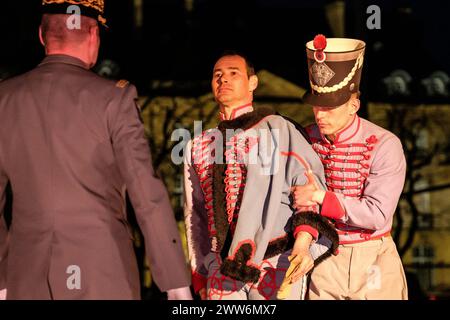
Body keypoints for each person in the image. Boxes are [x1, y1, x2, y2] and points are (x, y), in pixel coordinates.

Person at [0, 0, 191, 300]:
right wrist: (176, 285)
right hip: (102, 274)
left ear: (41, 35)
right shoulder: (115, 99)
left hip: (26, 276)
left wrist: (2, 279)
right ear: (93, 37)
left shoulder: (5, 98)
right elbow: (146, 194)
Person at [183, 51, 338, 300]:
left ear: (252, 83)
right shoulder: (197, 144)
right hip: (220, 268)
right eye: (218, 75)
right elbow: (195, 214)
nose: (224, 80)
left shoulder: (279, 128)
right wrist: (199, 271)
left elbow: (306, 187)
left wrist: (303, 243)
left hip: (276, 261)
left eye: (234, 74)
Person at [291, 35, 408, 299]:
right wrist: (303, 240)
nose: (320, 115)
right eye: (317, 107)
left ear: (353, 106)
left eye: (330, 108)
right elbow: (300, 198)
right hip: (324, 254)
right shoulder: (305, 139)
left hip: (374, 257)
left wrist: (322, 197)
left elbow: (377, 214)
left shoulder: (385, 144)